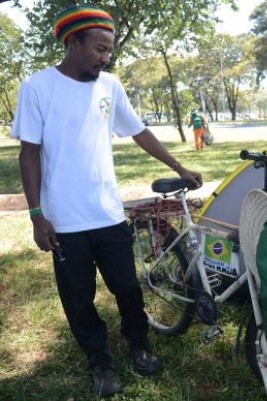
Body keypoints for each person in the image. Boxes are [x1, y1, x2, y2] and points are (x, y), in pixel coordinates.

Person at [11, 5, 202, 398]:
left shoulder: (110, 86)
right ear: (72, 42)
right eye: (99, 49)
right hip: (64, 223)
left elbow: (138, 131)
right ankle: (99, 360)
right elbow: (28, 154)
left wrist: (179, 166)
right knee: (78, 300)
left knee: (128, 288)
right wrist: (36, 216)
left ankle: (139, 343)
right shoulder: (37, 87)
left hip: (108, 214)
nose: (106, 56)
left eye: (109, 50)